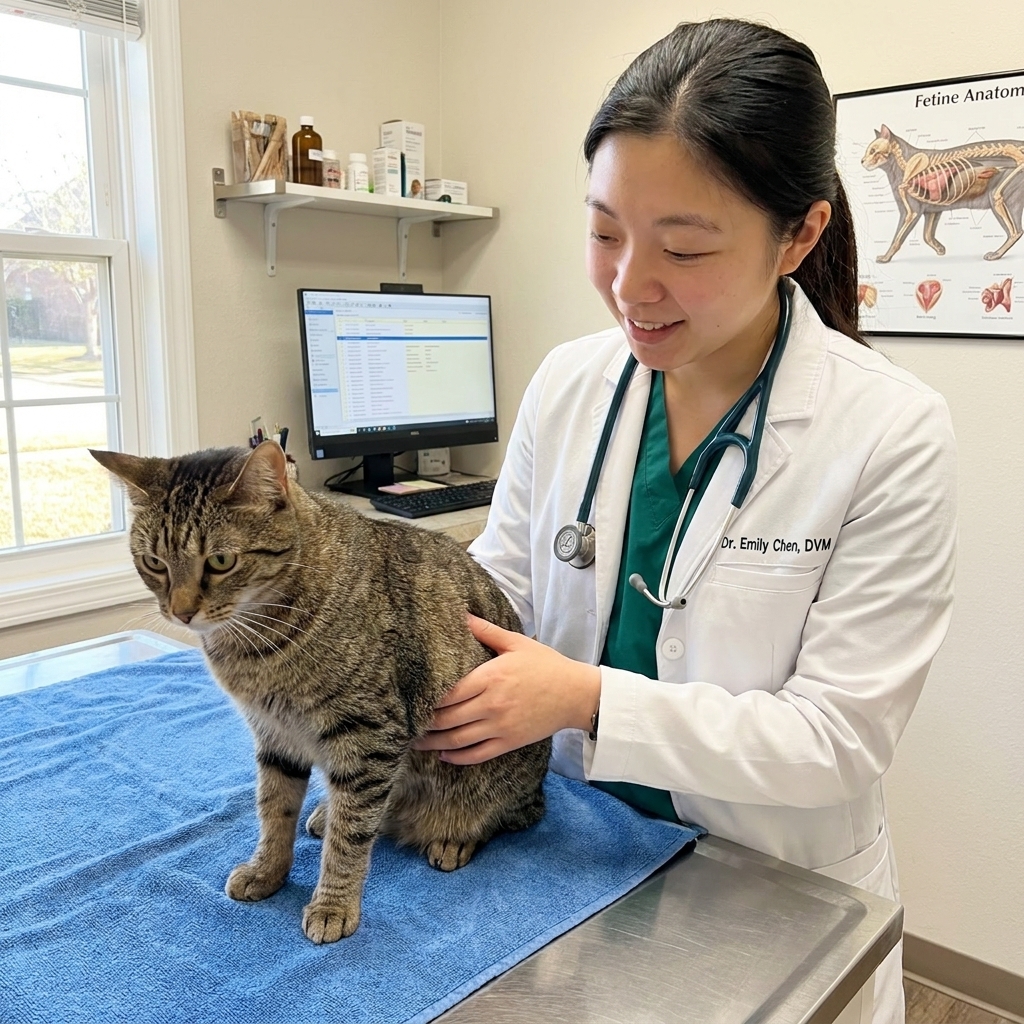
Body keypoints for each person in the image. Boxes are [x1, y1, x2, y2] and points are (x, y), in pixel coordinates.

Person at [411, 19, 957, 1024]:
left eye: (684, 247)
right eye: (605, 230)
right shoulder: (571, 384)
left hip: (769, 894)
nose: (628, 285)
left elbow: (835, 739)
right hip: (569, 861)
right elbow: (495, 596)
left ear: (799, 235)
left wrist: (586, 700)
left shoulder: (889, 433)